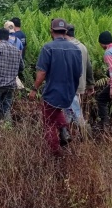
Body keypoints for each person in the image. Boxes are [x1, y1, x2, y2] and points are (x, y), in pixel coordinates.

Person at [28, 18, 82, 156]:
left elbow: (42, 72)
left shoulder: (48, 47)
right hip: (69, 92)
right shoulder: (76, 49)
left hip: (52, 92)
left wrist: (34, 89)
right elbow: (79, 73)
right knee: (56, 111)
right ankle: (64, 130)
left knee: (49, 123)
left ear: (51, 31)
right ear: (65, 32)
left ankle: (55, 154)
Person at [0, 28, 24, 123]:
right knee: (6, 108)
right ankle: (8, 129)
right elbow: (22, 66)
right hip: (11, 84)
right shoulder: (16, 50)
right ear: (8, 38)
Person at [65, 24, 95, 127]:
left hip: (70, 85)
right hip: (80, 84)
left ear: (65, 33)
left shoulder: (68, 47)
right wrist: (90, 84)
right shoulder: (83, 46)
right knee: (70, 111)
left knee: (74, 112)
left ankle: (84, 131)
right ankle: (72, 134)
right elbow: (89, 66)